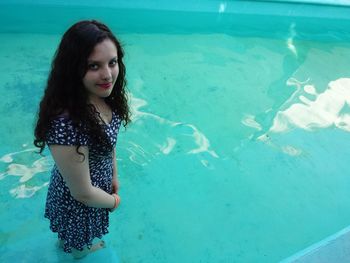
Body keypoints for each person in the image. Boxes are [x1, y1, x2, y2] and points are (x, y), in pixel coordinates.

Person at [33, 20, 130, 259]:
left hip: (98, 189)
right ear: (73, 69)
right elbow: (82, 193)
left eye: (112, 62)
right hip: (78, 201)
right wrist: (114, 202)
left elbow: (109, 145)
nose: (107, 75)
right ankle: (75, 252)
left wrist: (114, 175)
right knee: (77, 246)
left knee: (79, 237)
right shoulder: (66, 121)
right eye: (93, 66)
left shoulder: (105, 96)